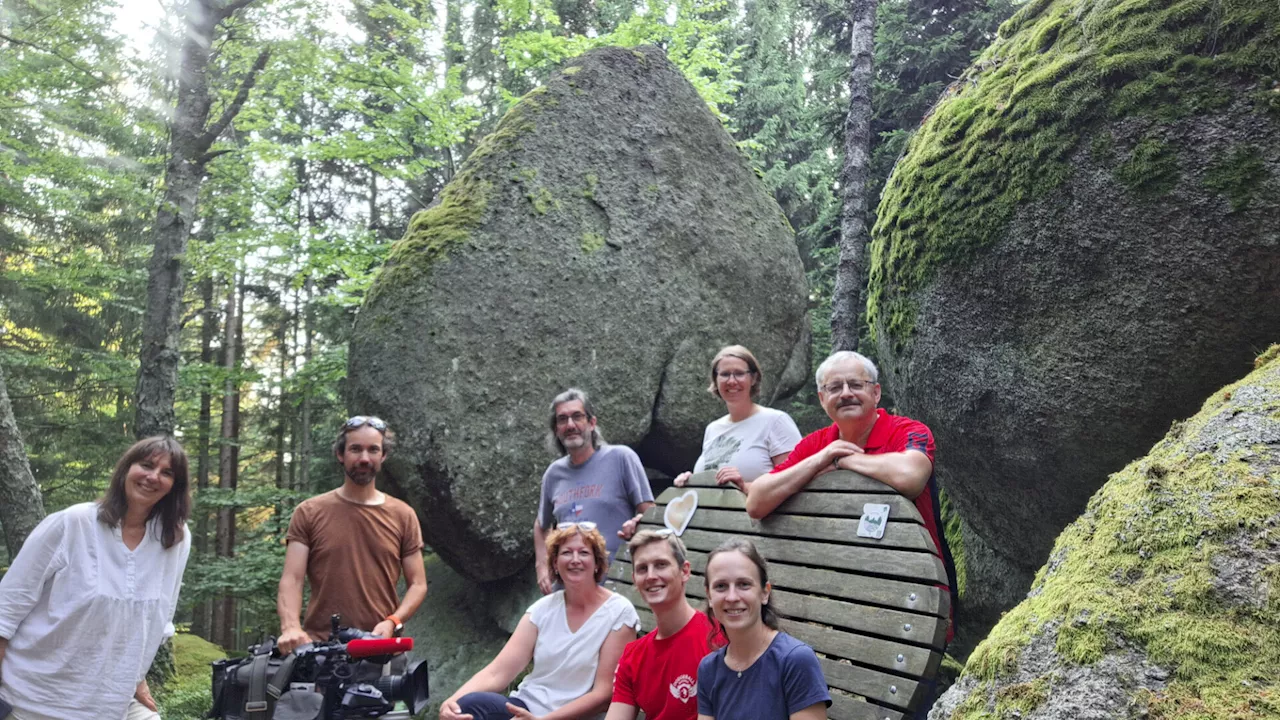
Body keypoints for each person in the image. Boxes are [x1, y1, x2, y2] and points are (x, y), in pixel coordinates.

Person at [744, 351, 958, 641]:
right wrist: (822, 458)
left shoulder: (907, 430)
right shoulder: (817, 444)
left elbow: (910, 477)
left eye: (856, 384)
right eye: (834, 388)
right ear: (822, 399)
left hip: (916, 585)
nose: (846, 394)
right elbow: (756, 501)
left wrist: (840, 461)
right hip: (842, 589)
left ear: (876, 392)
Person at [0, 436, 192, 720]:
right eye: (147, 465)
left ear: (175, 486)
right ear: (126, 469)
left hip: (110, 704)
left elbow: (157, 618)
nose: (153, 477)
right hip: (34, 700)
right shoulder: (72, 523)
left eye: (167, 473)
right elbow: (6, 608)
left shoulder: (174, 539)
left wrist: (137, 678)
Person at [440, 523, 639, 720]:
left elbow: (604, 694)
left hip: (570, 717)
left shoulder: (619, 613)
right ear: (554, 563)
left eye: (584, 553)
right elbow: (497, 673)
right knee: (468, 707)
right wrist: (452, 702)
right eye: (567, 553)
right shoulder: (541, 610)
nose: (575, 560)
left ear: (597, 563)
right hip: (525, 706)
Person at [277, 415, 427, 653]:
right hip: (321, 649)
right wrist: (291, 627)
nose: (364, 458)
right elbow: (292, 578)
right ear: (340, 454)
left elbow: (418, 584)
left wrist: (393, 621)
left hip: (382, 650)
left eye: (373, 450)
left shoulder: (403, 515)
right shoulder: (309, 512)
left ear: (383, 456)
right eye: (355, 449)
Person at [535, 389, 655, 594]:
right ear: (556, 429)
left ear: (592, 423)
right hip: (567, 590)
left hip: (616, 585)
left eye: (577, 416)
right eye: (562, 419)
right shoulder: (553, 474)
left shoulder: (620, 458)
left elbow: (650, 512)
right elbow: (541, 525)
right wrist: (542, 566)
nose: (570, 425)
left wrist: (635, 527)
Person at [695, 538, 829, 720]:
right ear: (709, 596)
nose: (732, 596)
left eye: (744, 584)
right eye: (721, 586)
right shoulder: (708, 669)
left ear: (765, 592)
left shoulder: (796, 660)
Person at [606, 529, 717, 720]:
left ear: (685, 571)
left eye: (661, 565)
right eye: (642, 568)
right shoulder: (632, 657)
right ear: (635, 580)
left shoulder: (718, 636)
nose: (650, 576)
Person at [673, 345, 802, 492]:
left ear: (753, 378)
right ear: (715, 380)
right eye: (725, 374)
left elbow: (794, 481)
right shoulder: (712, 429)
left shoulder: (775, 421)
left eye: (739, 374)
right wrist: (692, 482)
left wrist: (743, 487)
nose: (732, 381)